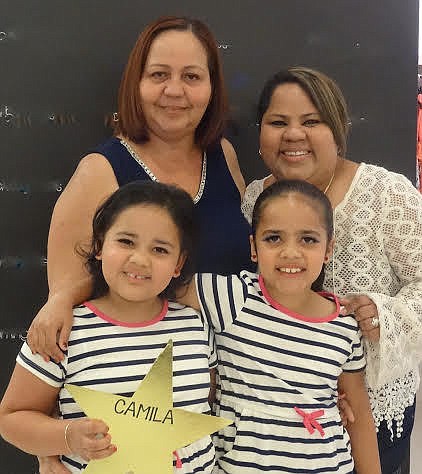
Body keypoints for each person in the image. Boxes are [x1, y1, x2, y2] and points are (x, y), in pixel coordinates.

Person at [28, 14, 252, 364]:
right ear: (137, 83)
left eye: (191, 77)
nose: (174, 90)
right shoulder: (99, 172)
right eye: (159, 74)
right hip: (146, 389)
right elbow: (65, 305)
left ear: (212, 87)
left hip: (241, 380)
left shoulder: (224, 155)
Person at [241, 66, 422, 474]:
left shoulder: (384, 194)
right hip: (283, 417)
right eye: (278, 122)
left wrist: (384, 315)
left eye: (311, 121)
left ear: (337, 130)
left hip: (370, 411)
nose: (293, 134)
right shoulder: (255, 199)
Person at [0, 181, 218, 473]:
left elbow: (207, 403)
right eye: (126, 242)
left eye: (160, 249)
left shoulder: (195, 324)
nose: (140, 259)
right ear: (100, 245)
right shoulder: (64, 331)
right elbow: (12, 418)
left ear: (178, 264)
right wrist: (67, 438)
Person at [177, 179, 380, 473]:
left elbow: (359, 412)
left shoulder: (344, 324)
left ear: (329, 248)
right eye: (274, 238)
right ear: (253, 247)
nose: (290, 252)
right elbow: (160, 283)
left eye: (308, 239)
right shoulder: (233, 297)